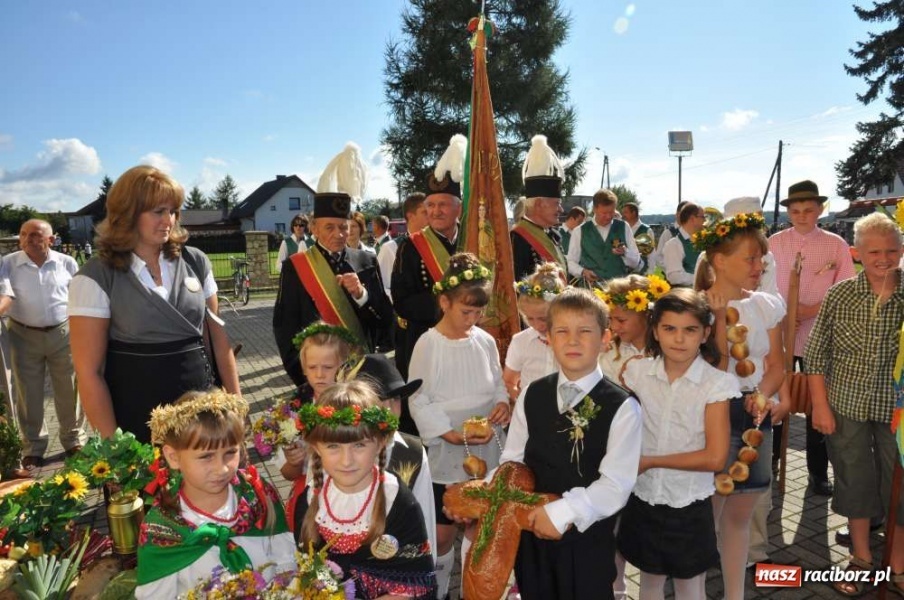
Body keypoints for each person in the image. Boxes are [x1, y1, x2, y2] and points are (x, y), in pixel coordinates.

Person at [479, 287, 642, 600]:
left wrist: (563, 512)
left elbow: (615, 485)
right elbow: (513, 461)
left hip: (586, 543)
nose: (573, 340)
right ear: (549, 339)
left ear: (605, 339)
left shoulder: (622, 407)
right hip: (531, 541)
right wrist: (485, 491)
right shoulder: (532, 393)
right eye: (562, 331)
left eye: (585, 331)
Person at [69, 166, 239, 443]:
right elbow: (89, 373)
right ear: (128, 213)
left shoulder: (195, 261)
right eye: (158, 211)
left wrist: (236, 410)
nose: (168, 220)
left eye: (173, 211)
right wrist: (116, 448)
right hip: (135, 419)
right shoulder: (95, 276)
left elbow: (218, 343)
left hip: (202, 416)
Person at [805, 212, 904, 596]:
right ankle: (861, 557)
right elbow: (816, 356)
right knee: (853, 479)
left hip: (897, 413)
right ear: (856, 253)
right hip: (846, 406)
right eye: (873, 251)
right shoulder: (840, 294)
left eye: (891, 250)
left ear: (901, 251)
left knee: (898, 485)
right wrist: (820, 406)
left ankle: (897, 561)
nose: (883, 258)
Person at [617, 288, 737, 600]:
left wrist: (651, 461)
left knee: (690, 586)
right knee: (649, 580)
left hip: (688, 502)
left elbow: (715, 458)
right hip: (643, 496)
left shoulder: (715, 384)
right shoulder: (636, 372)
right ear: (655, 330)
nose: (679, 339)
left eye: (690, 330)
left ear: (705, 333)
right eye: (669, 328)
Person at [693, 210, 787, 600]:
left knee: (740, 517)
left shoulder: (765, 305)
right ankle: (693, 590)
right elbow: (715, 366)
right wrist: (717, 315)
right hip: (712, 416)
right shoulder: (694, 306)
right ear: (719, 260)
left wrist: (763, 396)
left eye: (761, 258)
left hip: (754, 413)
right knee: (706, 515)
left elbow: (777, 365)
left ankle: (735, 594)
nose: (758, 265)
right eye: (750, 258)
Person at [407, 252, 511, 599]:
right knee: (442, 531)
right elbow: (418, 397)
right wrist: (447, 433)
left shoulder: (484, 340)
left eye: (478, 312)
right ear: (445, 302)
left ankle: (472, 590)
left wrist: (501, 403)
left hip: (485, 447)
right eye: (466, 311)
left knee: (479, 524)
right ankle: (437, 591)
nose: (473, 319)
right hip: (449, 450)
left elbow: (497, 382)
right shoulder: (429, 344)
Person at [135, 390, 296, 598]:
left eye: (230, 453)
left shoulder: (257, 497)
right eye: (206, 457)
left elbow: (286, 563)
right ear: (173, 457)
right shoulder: (162, 528)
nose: (221, 469)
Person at [294, 381, 437, 599]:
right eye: (333, 446)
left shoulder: (398, 502)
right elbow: (309, 571)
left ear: (380, 443)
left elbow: (415, 584)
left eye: (359, 445)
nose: (346, 460)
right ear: (316, 447)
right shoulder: (309, 500)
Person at [272, 143, 393, 386]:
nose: (338, 234)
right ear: (314, 229)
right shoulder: (296, 267)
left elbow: (385, 320)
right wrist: (305, 379)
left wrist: (362, 295)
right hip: (319, 378)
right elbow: (285, 328)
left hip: (362, 375)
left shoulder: (366, 260)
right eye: (329, 227)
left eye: (343, 227)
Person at [769, 180, 855, 498]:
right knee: (777, 395)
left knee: (817, 401)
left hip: (818, 334)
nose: (802, 215)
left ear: (820, 209)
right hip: (779, 332)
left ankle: (817, 472)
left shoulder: (835, 244)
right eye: (795, 211)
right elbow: (762, 284)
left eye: (808, 209)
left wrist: (810, 309)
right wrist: (784, 312)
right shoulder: (774, 243)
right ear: (788, 213)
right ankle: (771, 460)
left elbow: (845, 287)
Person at [0, 219, 85, 472]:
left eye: (36, 235)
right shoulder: (8, 263)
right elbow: (6, 295)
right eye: (24, 234)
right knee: (29, 393)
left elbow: (79, 296)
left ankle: (73, 440)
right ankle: (34, 448)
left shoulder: (66, 262)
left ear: (51, 239)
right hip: (23, 334)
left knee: (69, 388)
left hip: (62, 332)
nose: (28, 239)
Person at [391, 135, 467, 381]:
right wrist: (449, 305)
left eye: (443, 204)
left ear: (459, 208)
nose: (435, 211)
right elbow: (402, 301)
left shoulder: (473, 242)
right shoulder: (410, 246)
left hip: (469, 341)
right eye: (430, 206)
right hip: (427, 343)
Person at [503, 262, 565, 401]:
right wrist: (522, 403)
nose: (537, 325)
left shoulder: (572, 341)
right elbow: (509, 381)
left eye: (543, 319)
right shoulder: (521, 341)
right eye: (529, 318)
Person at [511, 135, 567, 282]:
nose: (561, 210)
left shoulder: (553, 234)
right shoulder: (516, 238)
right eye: (556, 203)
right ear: (538, 204)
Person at [597, 274, 668, 382]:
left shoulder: (668, 351)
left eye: (621, 320)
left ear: (647, 315)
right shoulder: (608, 353)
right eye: (610, 319)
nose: (614, 327)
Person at [567, 189, 641, 285]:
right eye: (604, 213)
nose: (608, 216)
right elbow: (571, 262)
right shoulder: (579, 231)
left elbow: (636, 262)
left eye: (612, 212)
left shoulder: (624, 227)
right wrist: (582, 271)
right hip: (590, 289)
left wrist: (625, 252)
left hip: (619, 289)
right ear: (594, 209)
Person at [377, 193, 428, 301]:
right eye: (425, 212)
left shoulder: (436, 244)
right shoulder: (391, 248)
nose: (431, 215)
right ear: (410, 216)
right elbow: (381, 287)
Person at [663, 203, 705, 287]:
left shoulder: (701, 241)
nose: (705, 220)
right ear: (692, 219)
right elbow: (674, 276)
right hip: (687, 293)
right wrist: (702, 279)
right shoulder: (673, 244)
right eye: (702, 217)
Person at [649, 201, 689, 274]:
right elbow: (658, 256)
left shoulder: (694, 233)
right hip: (672, 276)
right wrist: (672, 268)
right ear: (677, 214)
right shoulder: (668, 233)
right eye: (684, 213)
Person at [621, 202, 655, 274]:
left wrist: (650, 272)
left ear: (633, 213)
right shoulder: (622, 229)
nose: (623, 215)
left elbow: (651, 254)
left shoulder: (646, 230)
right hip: (623, 272)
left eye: (625, 212)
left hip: (641, 272)